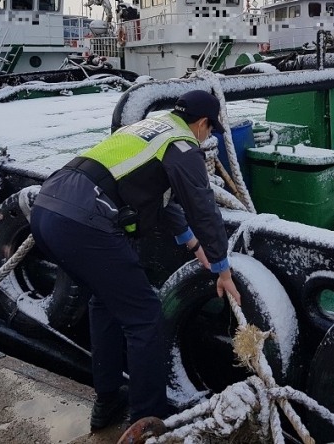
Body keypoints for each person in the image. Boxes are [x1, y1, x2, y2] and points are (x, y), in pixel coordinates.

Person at [30, 89, 241, 431]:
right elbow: (203, 208)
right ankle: (148, 419)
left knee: (106, 303)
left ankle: (107, 400)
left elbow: (162, 198)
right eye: (210, 130)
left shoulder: (152, 125)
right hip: (87, 222)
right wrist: (222, 267)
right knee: (144, 316)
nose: (209, 137)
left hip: (48, 208)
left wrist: (192, 245)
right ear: (202, 124)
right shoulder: (185, 147)